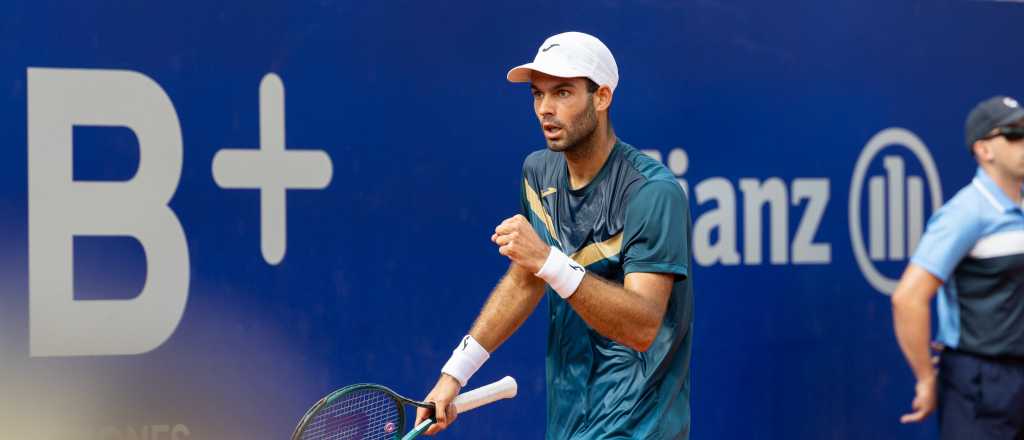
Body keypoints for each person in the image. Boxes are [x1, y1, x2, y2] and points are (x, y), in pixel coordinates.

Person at [415, 31, 693, 439]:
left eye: (563, 93)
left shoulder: (651, 193)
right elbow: (524, 279)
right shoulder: (538, 173)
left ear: (601, 97)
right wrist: (453, 376)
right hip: (568, 423)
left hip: (639, 427)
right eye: (537, 94)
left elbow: (643, 326)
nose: (545, 109)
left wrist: (549, 261)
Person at [893, 95, 1024, 438]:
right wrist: (925, 378)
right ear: (984, 150)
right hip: (979, 386)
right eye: (1014, 134)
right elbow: (908, 298)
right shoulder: (964, 215)